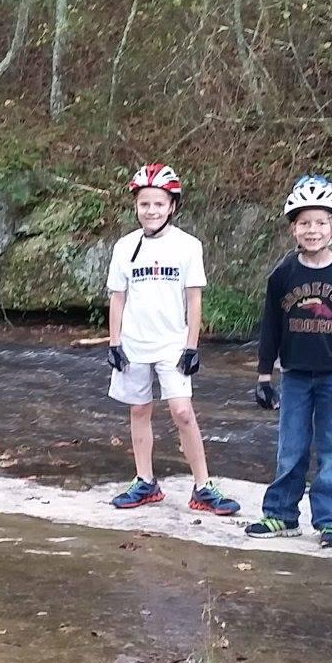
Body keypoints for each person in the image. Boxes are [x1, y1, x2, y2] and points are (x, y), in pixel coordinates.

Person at [104, 164, 243, 515]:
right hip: (134, 341)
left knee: (182, 411)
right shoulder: (124, 247)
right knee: (139, 409)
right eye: (144, 204)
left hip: (172, 342)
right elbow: (117, 297)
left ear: (172, 207)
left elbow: (194, 298)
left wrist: (192, 345)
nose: (151, 211)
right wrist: (114, 342)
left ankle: (203, 486)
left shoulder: (187, 246)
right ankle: (145, 482)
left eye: (159, 204)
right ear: (136, 207)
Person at [247, 175, 332, 548]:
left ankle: (329, 520)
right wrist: (264, 376)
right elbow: (270, 327)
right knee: (292, 446)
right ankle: (281, 515)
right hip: (295, 375)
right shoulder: (283, 275)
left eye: (320, 222)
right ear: (292, 229)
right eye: (304, 223)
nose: (312, 230)